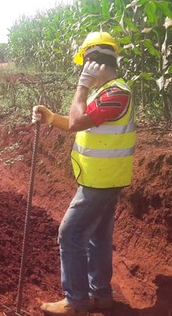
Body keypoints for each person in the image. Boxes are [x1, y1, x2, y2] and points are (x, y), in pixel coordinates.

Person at [32, 31, 136, 316]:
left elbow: (78, 120)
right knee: (97, 237)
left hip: (100, 183)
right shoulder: (106, 93)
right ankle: (100, 295)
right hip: (101, 180)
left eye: (85, 65)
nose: (83, 71)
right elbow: (79, 123)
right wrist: (51, 117)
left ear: (95, 62)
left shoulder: (117, 93)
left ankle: (76, 301)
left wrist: (82, 86)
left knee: (70, 234)